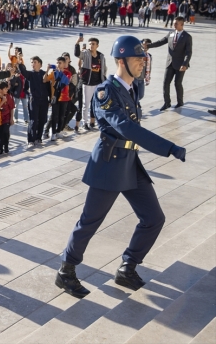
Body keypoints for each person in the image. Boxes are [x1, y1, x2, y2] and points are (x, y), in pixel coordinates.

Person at [56, 35, 187, 299]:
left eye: (143, 58)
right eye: (137, 58)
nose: (142, 62)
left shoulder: (132, 88)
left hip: (129, 163)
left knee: (153, 218)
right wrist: (168, 147)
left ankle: (128, 267)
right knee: (90, 222)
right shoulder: (105, 92)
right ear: (121, 60)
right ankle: (66, 271)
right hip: (108, 164)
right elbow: (126, 128)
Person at [145, 16, 192, 110]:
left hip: (180, 65)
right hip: (169, 63)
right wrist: (148, 45)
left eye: (176, 23)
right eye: (174, 23)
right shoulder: (170, 33)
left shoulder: (187, 37)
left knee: (177, 83)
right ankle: (167, 103)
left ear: (182, 24)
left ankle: (180, 102)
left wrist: (185, 64)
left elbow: (188, 52)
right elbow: (161, 42)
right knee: (165, 83)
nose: (173, 24)